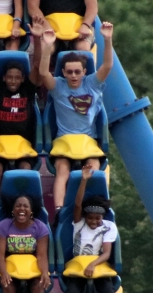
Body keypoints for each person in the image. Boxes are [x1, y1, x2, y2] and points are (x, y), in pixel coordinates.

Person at [38, 22, 114, 208]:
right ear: (63, 72)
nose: (73, 76)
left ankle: (94, 206)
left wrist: (107, 39)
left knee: (94, 170)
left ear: (84, 72)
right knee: (63, 171)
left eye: (77, 72)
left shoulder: (92, 84)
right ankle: (59, 209)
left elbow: (108, 65)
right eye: (69, 72)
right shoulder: (58, 87)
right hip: (64, 140)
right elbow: (42, 72)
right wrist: (47, 47)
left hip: (87, 140)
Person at [58, 161, 126, 293]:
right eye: (91, 218)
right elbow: (78, 205)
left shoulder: (109, 227)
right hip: (78, 264)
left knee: (106, 286)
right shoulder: (79, 223)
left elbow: (106, 252)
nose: (94, 221)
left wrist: (93, 264)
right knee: (73, 287)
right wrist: (83, 181)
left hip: (98, 265)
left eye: (97, 218)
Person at [0, 17, 40, 204]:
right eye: (10, 77)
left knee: (25, 170)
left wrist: (37, 39)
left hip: (22, 146)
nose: (13, 81)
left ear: (22, 79)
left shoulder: (28, 90)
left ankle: (24, 208)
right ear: (4, 78)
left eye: (17, 78)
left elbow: (37, 67)